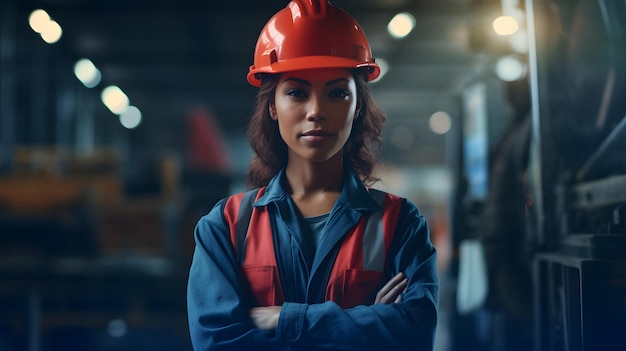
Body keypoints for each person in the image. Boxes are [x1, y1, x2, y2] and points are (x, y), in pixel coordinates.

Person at [186, 1, 439, 350]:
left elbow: (414, 331)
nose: (317, 111)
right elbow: (216, 342)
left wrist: (284, 319)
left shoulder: (400, 224)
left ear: (358, 105)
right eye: (296, 93)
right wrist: (364, 323)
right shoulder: (225, 227)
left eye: (337, 93)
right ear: (272, 105)